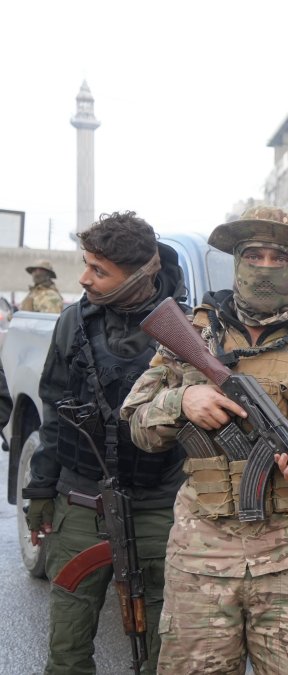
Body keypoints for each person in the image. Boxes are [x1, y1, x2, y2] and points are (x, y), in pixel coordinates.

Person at [121, 206, 288, 674]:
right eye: (253, 255)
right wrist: (183, 400)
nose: (265, 267)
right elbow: (138, 425)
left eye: (278, 256)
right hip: (201, 554)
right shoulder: (192, 336)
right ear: (237, 261)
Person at [21, 211, 187, 674]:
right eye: (85, 263)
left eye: (99, 270)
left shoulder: (189, 329)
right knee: (68, 642)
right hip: (81, 498)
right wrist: (40, 492)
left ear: (139, 274)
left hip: (160, 505)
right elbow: (54, 410)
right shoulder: (73, 322)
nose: (84, 278)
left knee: (164, 648)